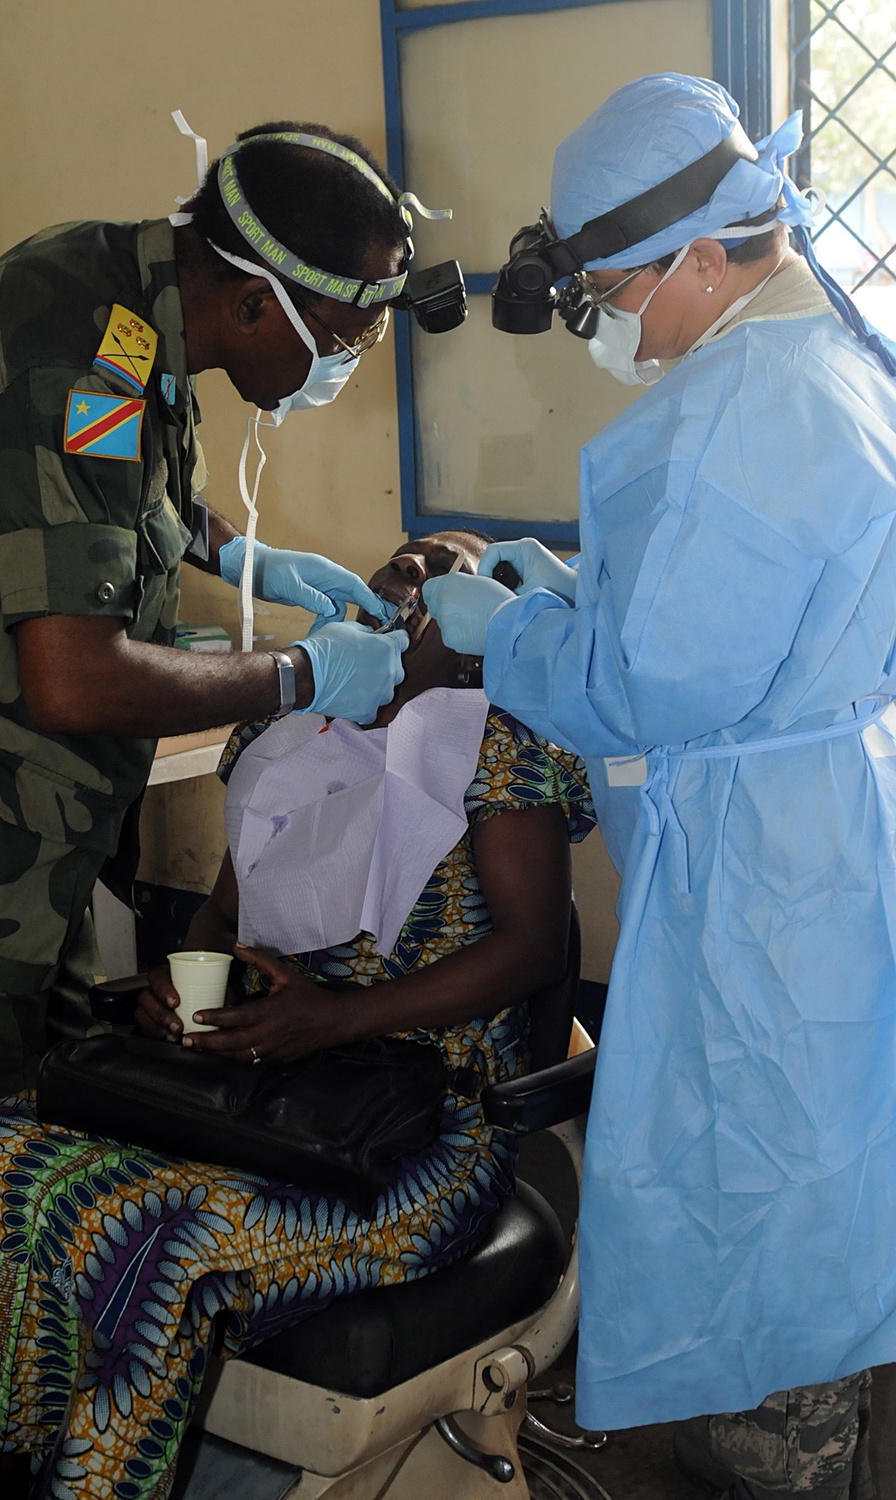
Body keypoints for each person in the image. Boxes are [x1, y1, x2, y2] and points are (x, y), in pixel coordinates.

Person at [0, 528, 596, 1498]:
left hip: (415, 1133)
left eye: (447, 570)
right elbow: (225, 914)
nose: (412, 572)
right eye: (403, 558)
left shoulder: (503, 738)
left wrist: (336, 1021)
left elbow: (530, 949)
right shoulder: (290, 728)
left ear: (481, 630)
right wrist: (184, 988)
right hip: (252, 1086)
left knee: (171, 1248)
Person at [422, 74, 895, 1500]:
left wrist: (506, 635)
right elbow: (707, 628)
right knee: (796, 1189)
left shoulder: (755, 402)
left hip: (762, 889)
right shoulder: (824, 364)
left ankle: (777, 1461)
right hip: (805, 839)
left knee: (759, 1209)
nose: (613, 324)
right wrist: (561, 597)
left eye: (615, 291)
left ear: (703, 252)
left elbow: (656, 686)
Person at [0, 121, 420, 1180]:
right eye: (340, 337)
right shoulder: (75, 351)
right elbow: (73, 677)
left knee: (51, 1119)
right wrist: (299, 673)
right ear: (250, 302)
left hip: (31, 834)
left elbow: (126, 491)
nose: (345, 366)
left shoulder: (136, 310)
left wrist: (250, 557)